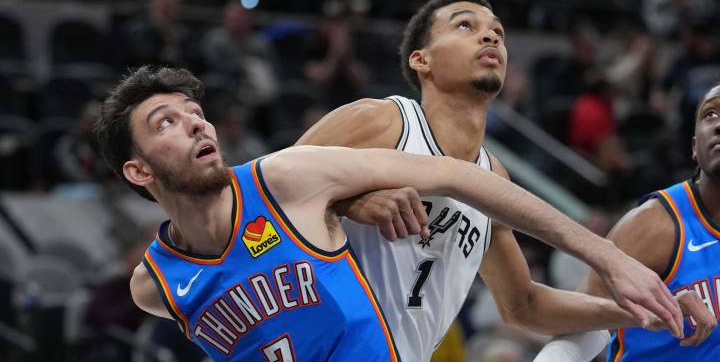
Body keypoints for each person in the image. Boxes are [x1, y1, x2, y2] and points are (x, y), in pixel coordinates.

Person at [95, 66, 684, 361]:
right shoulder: (155, 286)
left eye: (194, 111)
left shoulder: (284, 179)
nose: (195, 121)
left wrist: (608, 257)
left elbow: (457, 176)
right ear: (138, 172)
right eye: (165, 122)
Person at [295, 0, 697, 362]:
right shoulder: (383, 121)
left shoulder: (494, 179)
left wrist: (650, 311)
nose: (490, 38)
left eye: (498, 34)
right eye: (465, 26)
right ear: (422, 59)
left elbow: (523, 306)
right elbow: (258, 196)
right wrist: (351, 201)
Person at [534, 85, 720, 361]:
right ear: (694, 147)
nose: (718, 125)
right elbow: (580, 324)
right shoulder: (657, 223)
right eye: (711, 114)